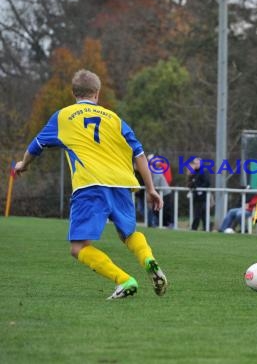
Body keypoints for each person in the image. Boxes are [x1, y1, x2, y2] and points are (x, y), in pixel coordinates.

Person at [13, 69, 168, 300]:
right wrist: (151, 189)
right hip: (122, 183)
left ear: (73, 92)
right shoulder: (114, 118)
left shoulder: (63, 116)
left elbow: (36, 146)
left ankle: (124, 280)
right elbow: (139, 154)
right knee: (128, 234)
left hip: (90, 185)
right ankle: (149, 260)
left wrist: (23, 165)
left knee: (78, 247)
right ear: (97, 93)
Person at [186, 157, 211, 231]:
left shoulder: (204, 171)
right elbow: (190, 183)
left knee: (200, 213)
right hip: (196, 196)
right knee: (201, 214)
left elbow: (207, 183)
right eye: (195, 163)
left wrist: (201, 189)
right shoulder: (194, 172)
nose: (195, 165)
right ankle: (206, 228)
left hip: (203, 197)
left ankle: (195, 228)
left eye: (197, 163)